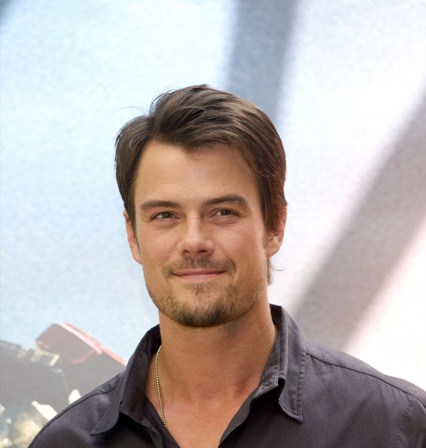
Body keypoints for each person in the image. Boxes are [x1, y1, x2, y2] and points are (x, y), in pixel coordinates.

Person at [29, 85, 425, 447]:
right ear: (133, 236)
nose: (194, 241)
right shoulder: (66, 442)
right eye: (165, 215)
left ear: (274, 227)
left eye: (222, 212)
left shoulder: (395, 425)